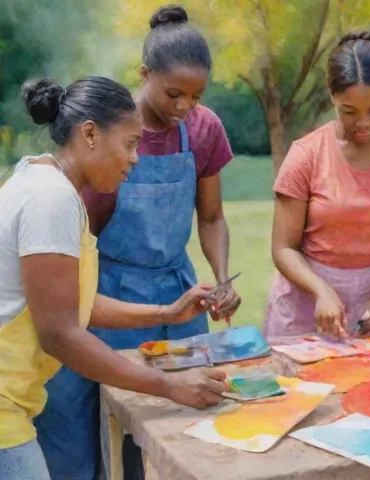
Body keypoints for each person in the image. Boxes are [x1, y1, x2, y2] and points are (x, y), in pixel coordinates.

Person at [35, 5, 240, 479]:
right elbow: (80, 230)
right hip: (109, 292)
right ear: (144, 74)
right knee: (98, 423)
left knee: (190, 419)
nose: (185, 107)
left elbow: (211, 216)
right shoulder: (111, 129)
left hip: (178, 293)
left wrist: (223, 278)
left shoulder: (204, 129)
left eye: (197, 95)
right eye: (173, 93)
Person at [0, 76, 227, 480]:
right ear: (90, 134)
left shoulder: (49, 183)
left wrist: (166, 312)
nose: (135, 158)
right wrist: (170, 386)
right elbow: (60, 333)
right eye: (129, 143)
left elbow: (71, 304)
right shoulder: (51, 199)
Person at [264, 31, 370, 339]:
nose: (364, 123)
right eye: (349, 111)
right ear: (332, 97)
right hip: (308, 300)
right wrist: (321, 291)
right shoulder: (306, 155)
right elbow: (283, 247)